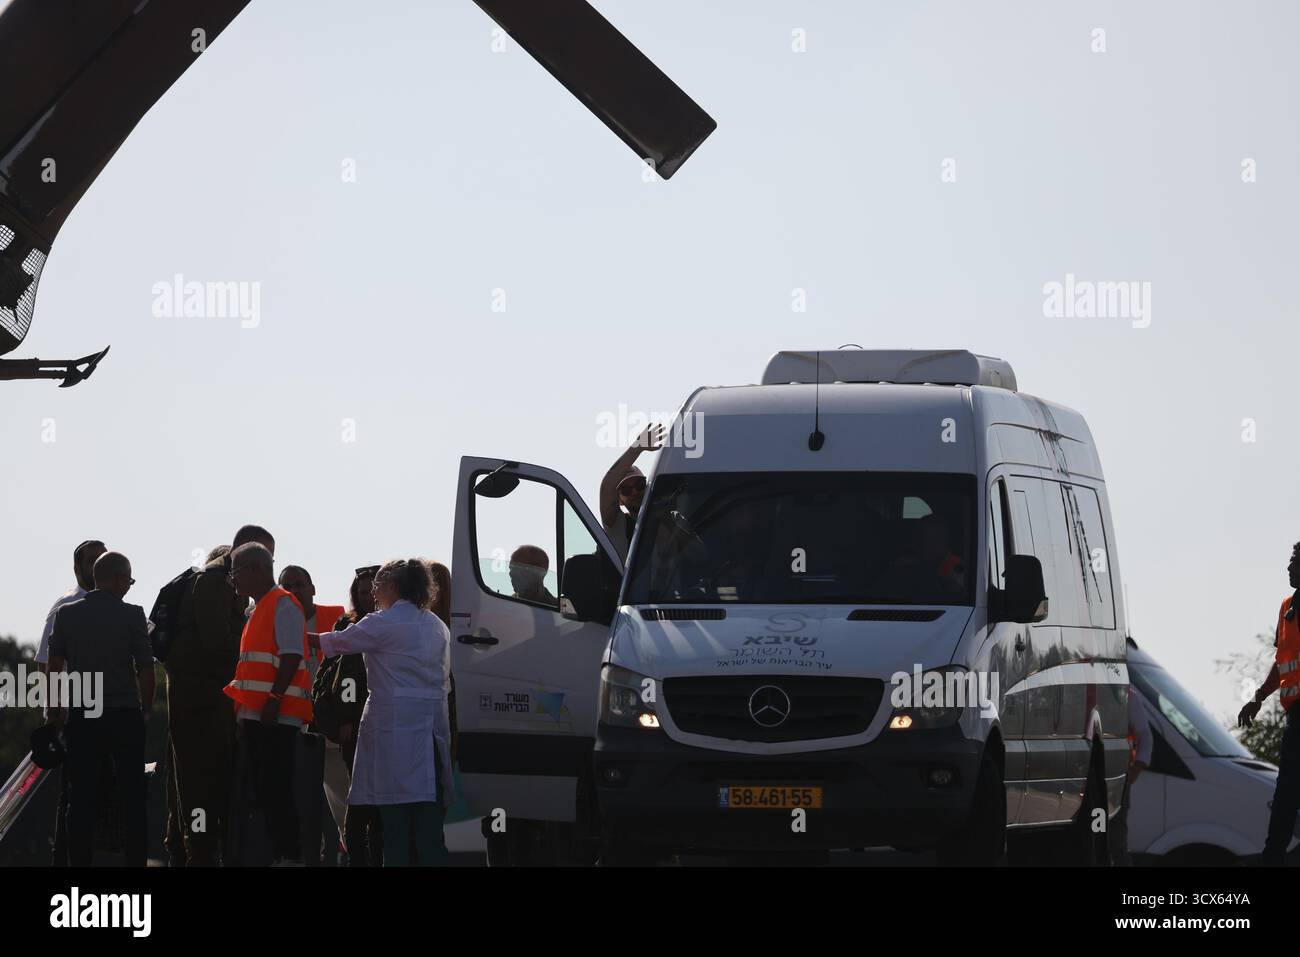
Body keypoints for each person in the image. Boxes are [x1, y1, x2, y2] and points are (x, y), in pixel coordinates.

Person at [310, 559, 453, 866]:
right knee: (429, 827)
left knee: (395, 825)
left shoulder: (382, 622)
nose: (373, 590)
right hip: (429, 730)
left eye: (378, 584)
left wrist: (288, 635)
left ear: (394, 586)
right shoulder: (436, 626)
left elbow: (337, 642)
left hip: (393, 732)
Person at [165, 526, 273, 866]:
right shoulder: (215, 581)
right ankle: (198, 851)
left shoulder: (229, 583)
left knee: (217, 785)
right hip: (200, 702)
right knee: (198, 788)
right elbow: (216, 642)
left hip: (215, 701)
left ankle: (204, 847)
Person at [46, 551, 153, 867]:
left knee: (80, 797)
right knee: (133, 796)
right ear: (119, 578)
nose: (130, 586)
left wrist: (56, 708)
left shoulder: (66, 615)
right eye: (129, 580)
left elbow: (54, 665)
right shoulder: (133, 615)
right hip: (124, 714)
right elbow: (145, 668)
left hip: (83, 715)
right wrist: (146, 708)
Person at [224, 541, 312, 864]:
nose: (233, 581)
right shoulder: (258, 608)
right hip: (258, 717)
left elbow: (292, 656)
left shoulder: (283, 605)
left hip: (276, 717)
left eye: (235, 573)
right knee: (266, 792)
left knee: (277, 792)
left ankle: (291, 857)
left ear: (256, 570)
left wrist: (273, 700)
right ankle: (282, 855)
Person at [36, 538, 106, 867]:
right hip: (74, 716)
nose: (96, 565)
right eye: (90, 560)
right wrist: (54, 711)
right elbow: (45, 663)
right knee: (74, 797)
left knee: (96, 797)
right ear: (77, 567)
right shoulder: (66, 606)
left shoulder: (110, 604)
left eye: (101, 559)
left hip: (105, 715)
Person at [278, 564, 345, 866]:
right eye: (288, 585)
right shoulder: (273, 624)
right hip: (293, 728)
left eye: (300, 583)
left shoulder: (338, 619)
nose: (295, 589)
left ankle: (356, 855)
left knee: (344, 805)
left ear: (313, 588)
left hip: (331, 731)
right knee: (299, 808)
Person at [1239, 541, 1300, 865]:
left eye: (1295, 562)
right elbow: (1283, 661)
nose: (1289, 568)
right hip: (1296, 715)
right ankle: (1273, 857)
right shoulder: (1287, 607)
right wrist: (1258, 698)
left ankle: (1272, 857)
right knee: (1286, 794)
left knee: (1287, 793)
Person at [328, 565, 382, 866]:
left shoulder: (390, 625)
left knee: (377, 804)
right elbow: (342, 679)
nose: (368, 598)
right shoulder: (348, 627)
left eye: (372, 592)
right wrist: (346, 718)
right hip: (355, 722)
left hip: (381, 721)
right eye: (363, 593)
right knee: (358, 799)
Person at [599, 424, 663, 562]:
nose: (635, 492)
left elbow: (701, 555)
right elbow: (607, 487)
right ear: (619, 500)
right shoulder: (617, 525)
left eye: (639, 485)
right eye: (626, 490)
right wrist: (637, 448)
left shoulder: (669, 516)